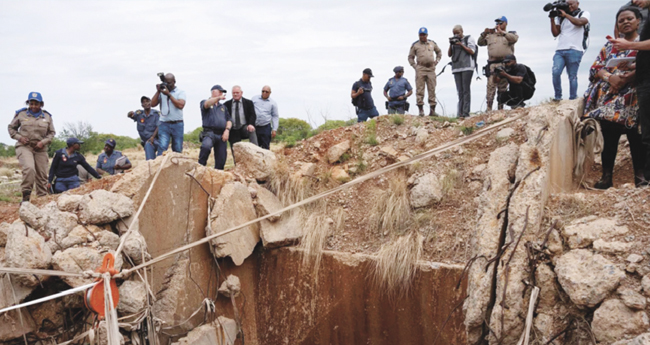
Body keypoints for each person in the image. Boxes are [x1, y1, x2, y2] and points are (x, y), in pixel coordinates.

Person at [584, 8, 645, 189]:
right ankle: (606, 176)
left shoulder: (643, 44)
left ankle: (640, 177)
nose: (625, 22)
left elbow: (646, 66)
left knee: (636, 136)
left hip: (633, 96)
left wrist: (628, 77)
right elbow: (595, 68)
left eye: (629, 19)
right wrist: (611, 78)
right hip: (610, 95)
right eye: (621, 20)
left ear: (638, 22)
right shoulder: (610, 46)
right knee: (609, 135)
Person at [8, 92, 56, 202]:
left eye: (36, 104)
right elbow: (11, 128)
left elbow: (51, 133)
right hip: (25, 146)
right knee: (29, 168)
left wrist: (43, 142)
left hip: (40, 148)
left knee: (42, 174)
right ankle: (26, 196)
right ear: (28, 103)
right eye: (31, 103)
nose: (33, 106)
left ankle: (42, 199)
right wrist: (20, 137)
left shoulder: (47, 117)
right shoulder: (21, 114)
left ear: (41, 104)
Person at [550, 0, 590, 102]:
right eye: (568, 5)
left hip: (575, 49)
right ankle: (558, 97)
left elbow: (580, 22)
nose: (570, 6)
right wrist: (552, 19)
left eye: (572, 4)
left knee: (572, 76)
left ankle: (573, 98)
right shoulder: (561, 18)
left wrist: (566, 15)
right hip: (560, 49)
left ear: (578, 3)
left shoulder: (583, 13)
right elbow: (555, 33)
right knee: (555, 72)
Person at [478, 16, 519, 112]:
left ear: (505, 23)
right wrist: (484, 33)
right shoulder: (491, 35)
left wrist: (503, 33)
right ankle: (489, 108)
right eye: (497, 23)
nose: (498, 25)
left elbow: (514, 39)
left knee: (502, 87)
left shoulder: (510, 34)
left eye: (501, 23)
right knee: (491, 86)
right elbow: (480, 43)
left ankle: (501, 107)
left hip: (505, 64)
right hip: (492, 64)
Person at [409, 27, 442, 116]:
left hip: (431, 69)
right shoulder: (415, 45)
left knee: (432, 88)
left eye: (423, 35)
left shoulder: (432, 44)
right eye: (420, 35)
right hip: (420, 69)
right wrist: (415, 66)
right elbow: (410, 57)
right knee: (420, 89)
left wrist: (437, 61)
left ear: (427, 35)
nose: (422, 36)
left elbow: (439, 52)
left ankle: (432, 110)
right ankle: (421, 110)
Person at [199, 85, 232, 170]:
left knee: (221, 158)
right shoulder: (205, 102)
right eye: (219, 91)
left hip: (221, 134)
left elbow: (229, 120)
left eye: (222, 92)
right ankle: (200, 168)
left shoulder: (223, 107)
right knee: (206, 147)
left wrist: (227, 130)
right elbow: (207, 104)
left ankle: (218, 175)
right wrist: (218, 98)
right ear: (213, 91)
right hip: (209, 132)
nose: (221, 93)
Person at [151, 73, 186, 153]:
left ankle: (176, 165)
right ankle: (160, 165)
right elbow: (152, 104)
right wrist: (158, 91)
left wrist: (169, 95)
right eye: (166, 82)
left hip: (177, 124)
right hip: (164, 124)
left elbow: (180, 105)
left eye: (170, 83)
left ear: (174, 81)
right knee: (162, 147)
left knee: (177, 148)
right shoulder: (162, 92)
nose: (168, 85)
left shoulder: (180, 92)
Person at [448, 25, 478, 118]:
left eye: (458, 32)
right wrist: (451, 44)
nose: (456, 35)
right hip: (456, 68)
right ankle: (460, 113)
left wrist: (461, 44)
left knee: (466, 90)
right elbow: (449, 54)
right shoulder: (454, 41)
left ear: (462, 31)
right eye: (454, 33)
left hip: (467, 67)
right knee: (460, 91)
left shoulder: (469, 38)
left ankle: (466, 112)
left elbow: (472, 51)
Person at [224, 85, 259, 161]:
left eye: (237, 92)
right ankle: (238, 165)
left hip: (244, 127)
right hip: (233, 129)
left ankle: (256, 154)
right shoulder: (226, 104)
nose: (235, 94)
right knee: (235, 149)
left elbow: (253, 115)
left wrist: (250, 124)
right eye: (234, 93)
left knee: (252, 130)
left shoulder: (248, 103)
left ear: (241, 93)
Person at [128, 96, 162, 160]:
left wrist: (153, 137)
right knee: (150, 160)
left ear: (151, 103)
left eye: (148, 101)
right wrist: (130, 114)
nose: (146, 103)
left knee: (161, 157)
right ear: (142, 105)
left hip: (156, 140)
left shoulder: (156, 114)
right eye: (144, 102)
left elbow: (158, 126)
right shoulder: (139, 114)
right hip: (146, 141)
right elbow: (131, 115)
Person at [252, 85, 279, 150]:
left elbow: (275, 116)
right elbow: (249, 110)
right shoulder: (254, 99)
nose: (264, 93)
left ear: (270, 93)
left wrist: (274, 129)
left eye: (266, 92)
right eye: (263, 91)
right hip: (255, 126)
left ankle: (265, 160)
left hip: (265, 127)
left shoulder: (273, 103)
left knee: (265, 146)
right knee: (255, 146)